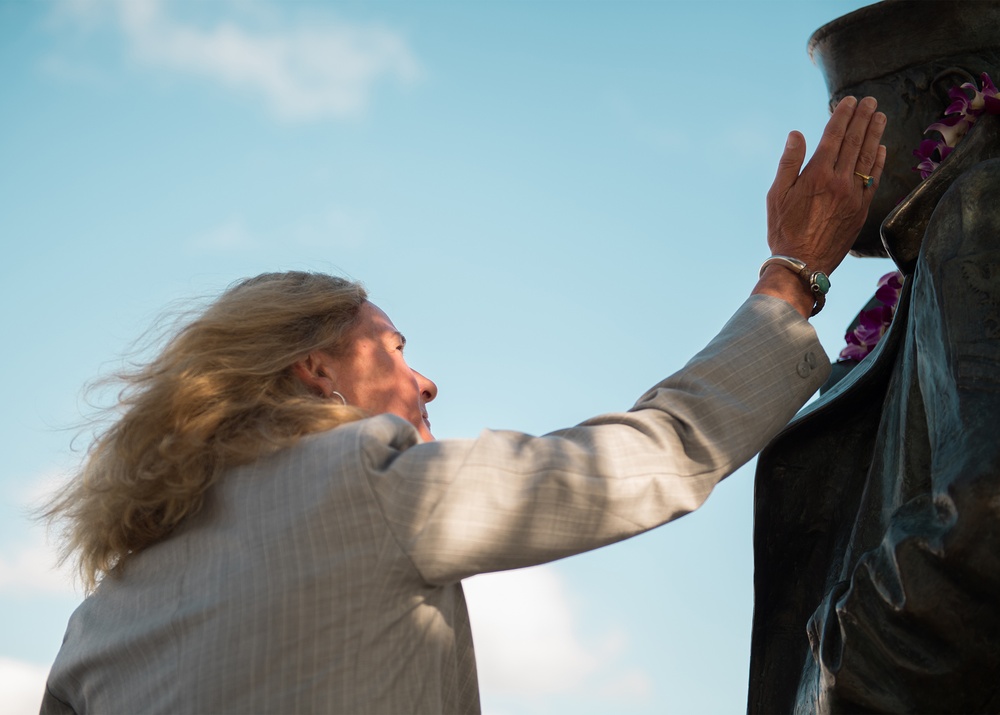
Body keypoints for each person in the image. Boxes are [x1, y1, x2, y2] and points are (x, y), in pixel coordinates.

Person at [40, 96, 885, 715]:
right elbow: (655, 455)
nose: (427, 380)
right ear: (314, 368)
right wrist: (794, 274)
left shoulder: (100, 618)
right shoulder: (363, 479)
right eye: (397, 347)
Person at [747, 2, 1000, 713]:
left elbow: (985, 511)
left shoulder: (978, 210)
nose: (829, 145)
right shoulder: (908, 288)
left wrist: (832, 673)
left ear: (951, 93)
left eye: (847, 113)